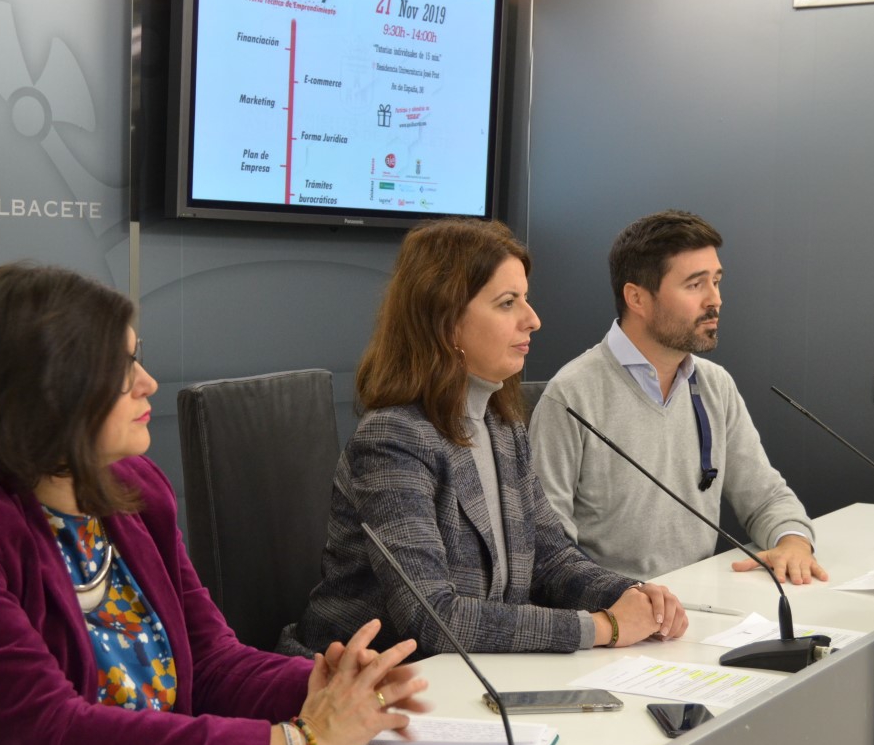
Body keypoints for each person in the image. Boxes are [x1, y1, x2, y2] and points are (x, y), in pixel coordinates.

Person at [0, 263, 428, 745]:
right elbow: (51, 733)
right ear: (47, 390)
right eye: (121, 368)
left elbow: (211, 662)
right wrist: (300, 743)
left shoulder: (135, 490)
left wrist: (325, 687)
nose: (147, 382)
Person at [280, 219, 688, 660]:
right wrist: (603, 626)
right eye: (508, 303)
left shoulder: (502, 428)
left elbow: (551, 559)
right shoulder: (392, 439)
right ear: (446, 320)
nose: (533, 320)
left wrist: (632, 595)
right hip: (365, 679)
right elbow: (434, 618)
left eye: (525, 300)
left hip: (468, 674)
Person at [529, 210, 828, 583]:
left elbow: (765, 497)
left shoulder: (715, 385)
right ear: (637, 298)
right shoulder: (571, 395)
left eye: (716, 282)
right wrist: (621, 600)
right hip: (613, 607)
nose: (715, 300)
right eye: (695, 285)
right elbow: (547, 547)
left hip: (700, 601)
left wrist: (793, 542)